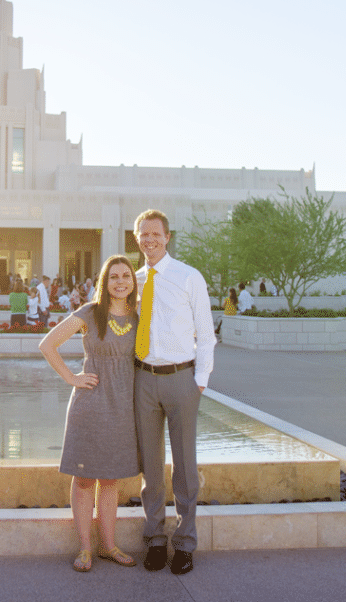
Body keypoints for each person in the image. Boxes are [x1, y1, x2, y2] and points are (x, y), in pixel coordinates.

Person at [39, 254, 141, 572]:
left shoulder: (140, 316)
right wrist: (72, 378)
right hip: (92, 405)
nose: (121, 281)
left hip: (124, 407)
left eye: (126, 275)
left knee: (110, 480)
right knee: (84, 478)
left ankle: (108, 546)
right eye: (114, 276)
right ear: (104, 282)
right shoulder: (89, 313)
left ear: (133, 282)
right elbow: (47, 344)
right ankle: (85, 548)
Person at [132, 209, 215, 576]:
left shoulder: (188, 277)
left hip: (182, 379)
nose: (149, 240)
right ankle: (154, 538)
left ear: (167, 237)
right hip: (144, 381)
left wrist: (201, 381)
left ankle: (184, 542)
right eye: (143, 234)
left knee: (184, 465)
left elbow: (206, 333)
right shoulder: (132, 281)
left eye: (155, 234)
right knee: (151, 466)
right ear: (137, 239)